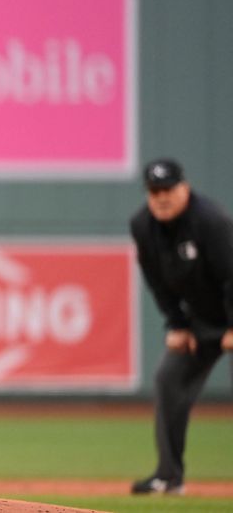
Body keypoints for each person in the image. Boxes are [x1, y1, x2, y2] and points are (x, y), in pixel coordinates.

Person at [129, 157, 233, 495]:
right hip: (201, 322)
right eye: (154, 190)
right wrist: (177, 324)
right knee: (168, 380)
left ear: (184, 188)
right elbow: (157, 281)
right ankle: (169, 477)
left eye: (168, 189)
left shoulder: (211, 221)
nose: (161, 197)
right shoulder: (143, 226)